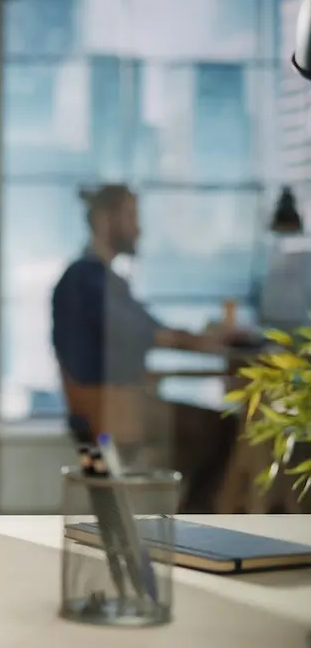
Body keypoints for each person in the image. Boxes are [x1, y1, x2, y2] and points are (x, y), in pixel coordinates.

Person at [50, 183, 240, 512]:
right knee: (224, 428)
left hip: (112, 405)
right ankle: (198, 527)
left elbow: (141, 333)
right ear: (105, 220)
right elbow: (146, 333)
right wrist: (206, 341)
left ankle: (192, 522)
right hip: (110, 411)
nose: (139, 228)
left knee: (214, 430)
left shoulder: (100, 279)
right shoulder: (87, 279)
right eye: (131, 216)